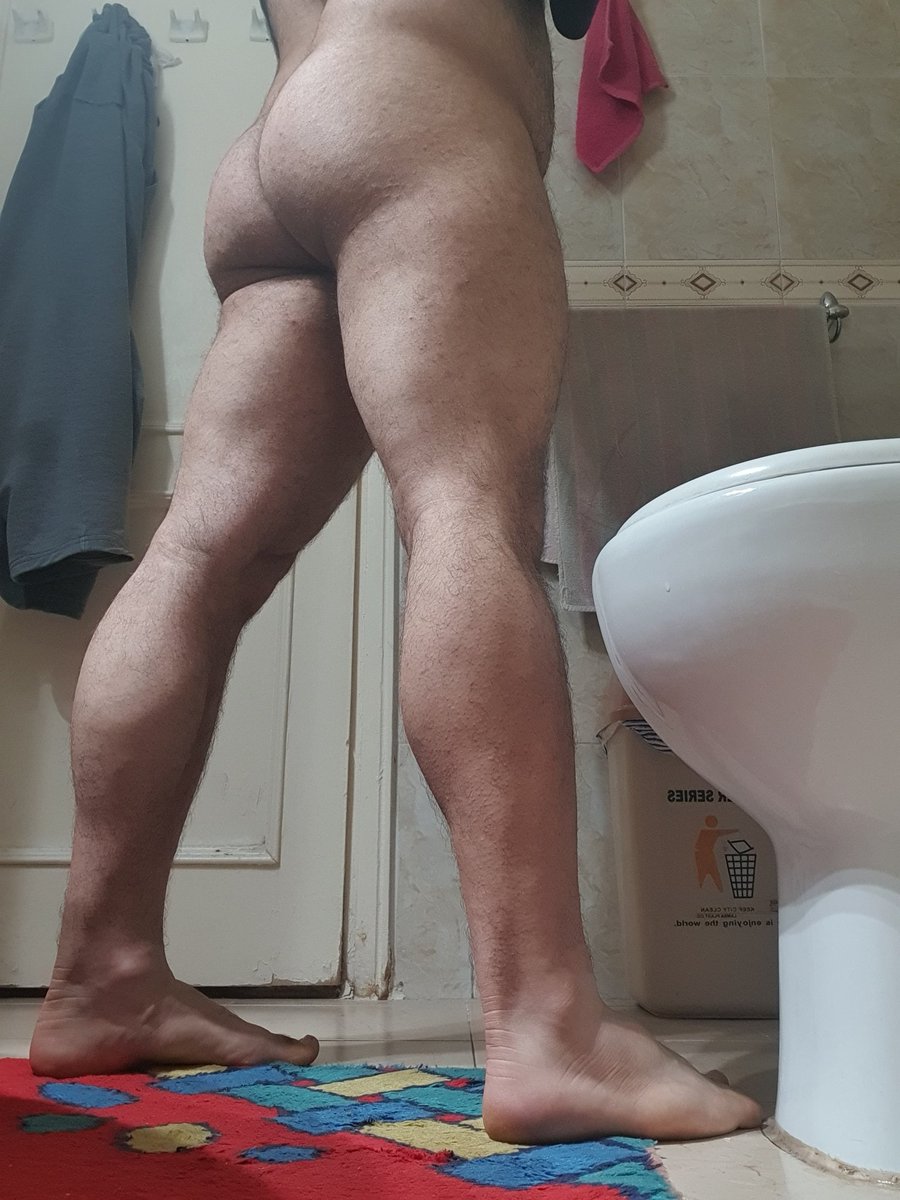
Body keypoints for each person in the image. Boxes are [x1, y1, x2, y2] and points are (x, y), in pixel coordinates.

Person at [28, 0, 762, 1144]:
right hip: (416, 103)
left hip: (278, 141)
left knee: (199, 554)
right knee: (468, 510)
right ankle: (550, 1027)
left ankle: (100, 977)